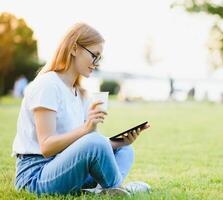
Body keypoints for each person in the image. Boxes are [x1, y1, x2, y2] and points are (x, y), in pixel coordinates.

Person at [12, 23, 151, 196]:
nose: (96, 63)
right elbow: (46, 146)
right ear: (74, 48)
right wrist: (86, 130)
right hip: (36, 175)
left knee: (124, 150)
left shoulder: (81, 94)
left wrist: (119, 142)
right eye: (95, 55)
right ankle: (116, 188)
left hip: (64, 168)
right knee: (96, 141)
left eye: (99, 58)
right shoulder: (48, 85)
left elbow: (85, 147)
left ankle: (103, 190)